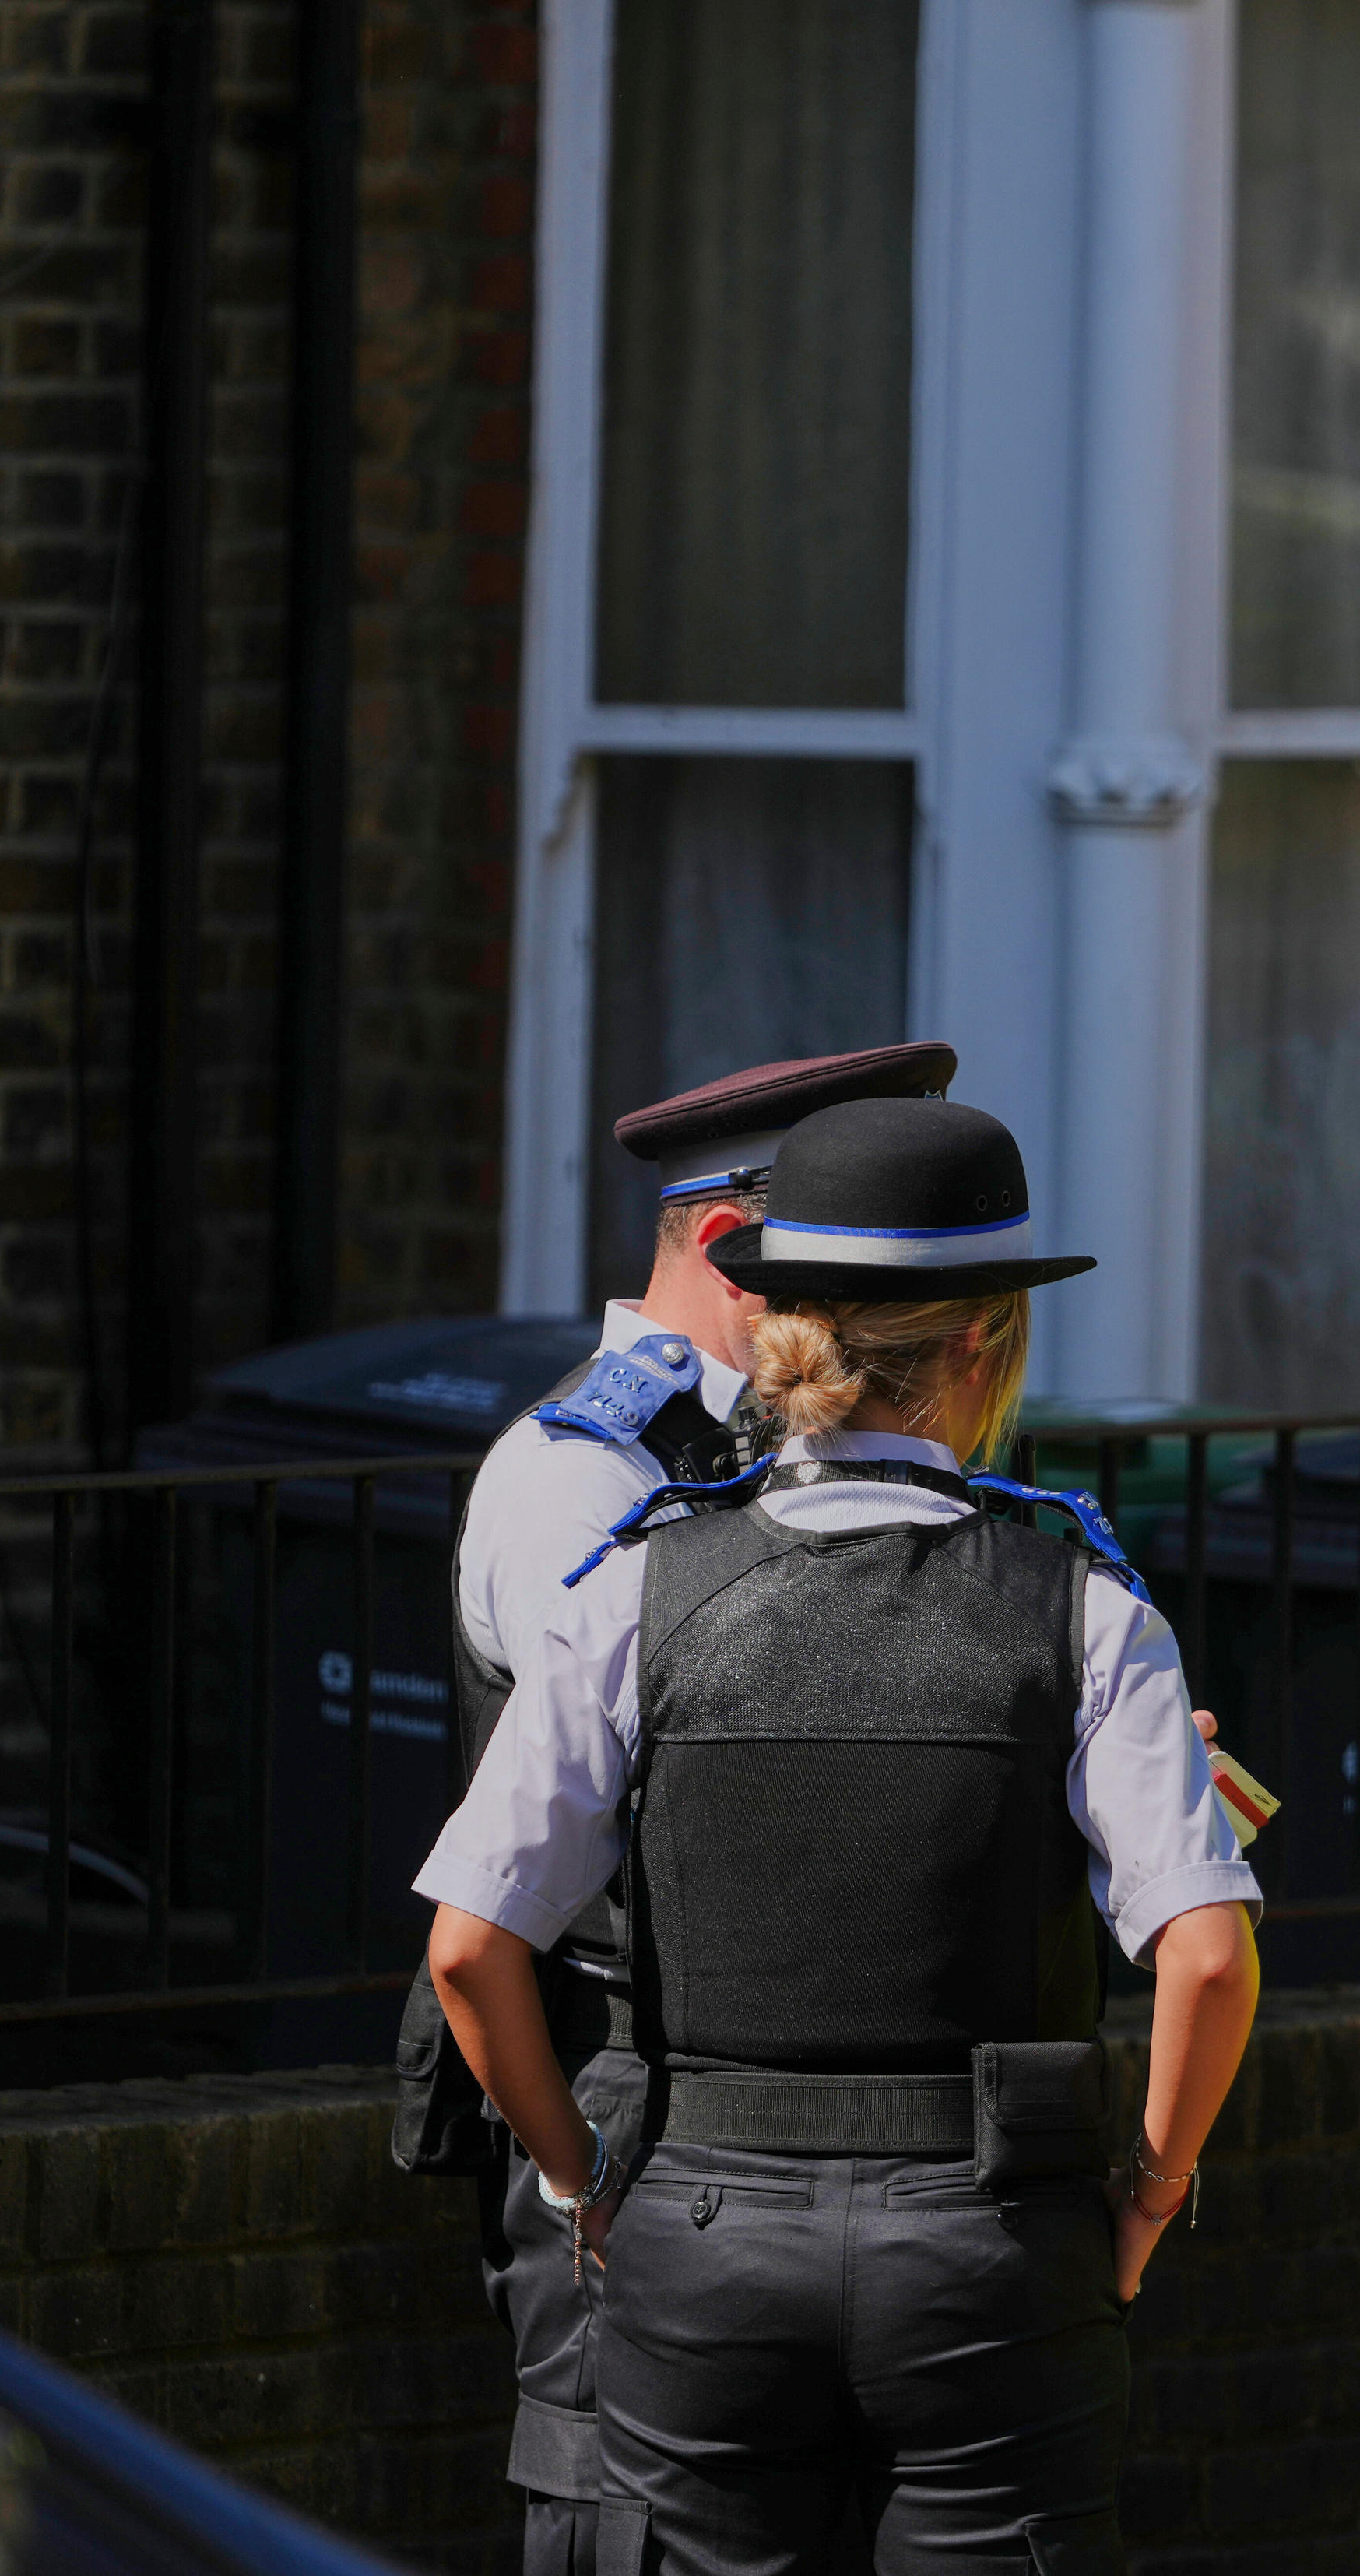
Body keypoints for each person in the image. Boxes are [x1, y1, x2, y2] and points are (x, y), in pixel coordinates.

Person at [414, 1095, 1263, 2574]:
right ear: (985, 1348)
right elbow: (1206, 1959)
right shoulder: (1087, 1606)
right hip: (991, 2246)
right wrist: (1150, 2190)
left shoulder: (637, 1589)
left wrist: (577, 2183)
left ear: (784, 1327)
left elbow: (471, 1949)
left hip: (699, 2235)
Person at [416, 1038, 958, 2576]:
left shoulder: (831, 1437)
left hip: (816, 2137)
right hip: (627, 2123)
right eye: (856, 1262)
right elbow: (673, 1816)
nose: (892, 1308)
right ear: (730, 1244)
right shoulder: (573, 1481)